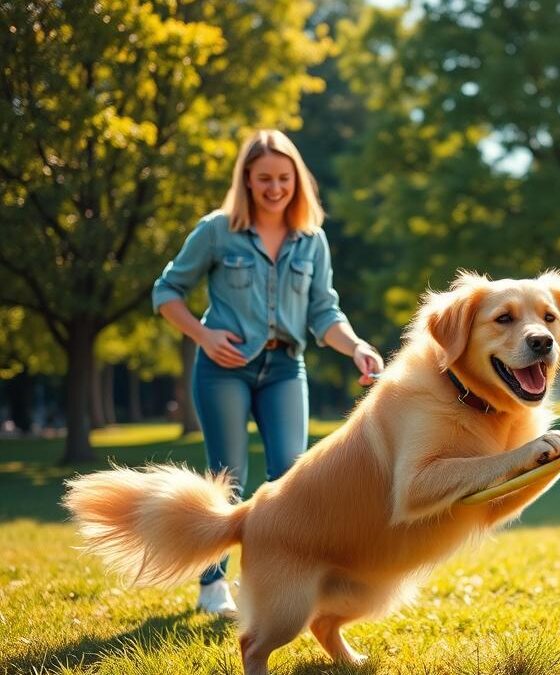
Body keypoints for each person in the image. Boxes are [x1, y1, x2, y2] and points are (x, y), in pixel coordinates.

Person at [152, 129, 384, 616]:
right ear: (247, 180)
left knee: (291, 477)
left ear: (297, 180)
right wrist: (203, 335)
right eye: (264, 179)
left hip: (284, 367)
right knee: (227, 476)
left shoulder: (311, 240)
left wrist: (356, 346)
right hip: (223, 369)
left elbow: (324, 312)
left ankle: (282, 584)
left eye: (283, 178)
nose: (275, 188)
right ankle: (213, 585)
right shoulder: (218, 230)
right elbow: (167, 292)